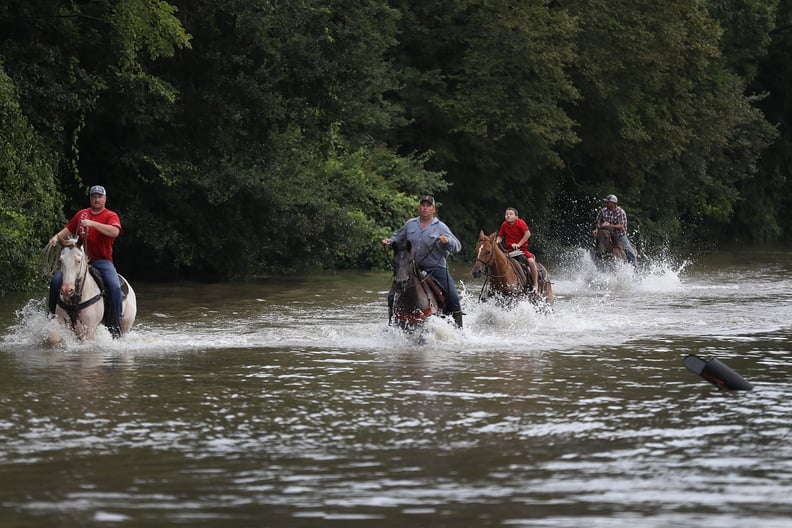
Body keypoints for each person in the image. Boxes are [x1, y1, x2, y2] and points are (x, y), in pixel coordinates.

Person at [48, 185, 124, 338]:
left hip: (101, 260)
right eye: (93, 196)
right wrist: (56, 237)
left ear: (105, 198)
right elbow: (68, 229)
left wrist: (92, 224)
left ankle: (115, 326)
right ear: (90, 198)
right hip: (79, 259)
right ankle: (50, 318)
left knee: (114, 286)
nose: (96, 199)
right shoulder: (82, 214)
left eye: (99, 196)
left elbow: (114, 231)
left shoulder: (110, 215)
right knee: (56, 281)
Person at [382, 194, 464, 327]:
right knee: (392, 296)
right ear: (419, 207)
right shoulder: (410, 224)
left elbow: (457, 246)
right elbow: (397, 238)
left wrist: (447, 241)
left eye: (428, 205)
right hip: (412, 267)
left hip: (436, 268)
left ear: (434, 209)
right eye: (423, 205)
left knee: (453, 298)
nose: (425, 208)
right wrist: (389, 242)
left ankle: (460, 330)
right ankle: (391, 326)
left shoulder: (440, 227)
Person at [495, 207, 539, 293]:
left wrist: (518, 244)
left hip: (521, 250)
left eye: (510, 214)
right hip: (508, 251)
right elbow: (500, 236)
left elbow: (528, 234)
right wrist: (497, 241)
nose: (508, 216)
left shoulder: (520, 222)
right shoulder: (504, 224)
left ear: (516, 217)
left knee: (531, 262)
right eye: (506, 214)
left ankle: (535, 284)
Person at [593, 194, 637, 267]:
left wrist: (611, 226)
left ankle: (634, 266)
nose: (606, 203)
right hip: (607, 232)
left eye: (608, 202)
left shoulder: (620, 212)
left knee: (628, 249)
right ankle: (596, 260)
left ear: (613, 203)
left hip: (619, 234)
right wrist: (596, 229)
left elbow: (621, 226)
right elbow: (598, 220)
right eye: (606, 202)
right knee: (600, 240)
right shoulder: (603, 211)